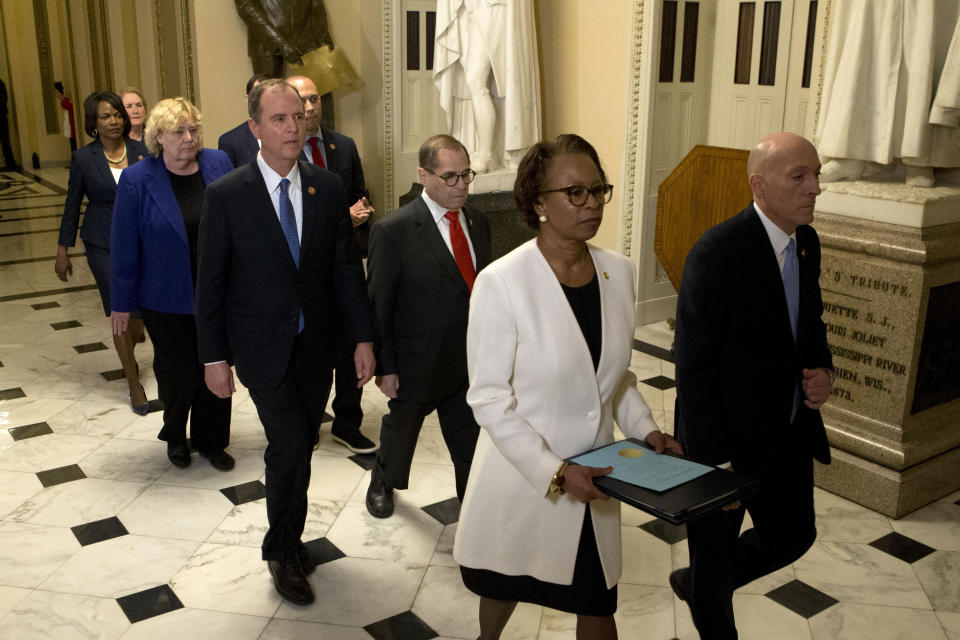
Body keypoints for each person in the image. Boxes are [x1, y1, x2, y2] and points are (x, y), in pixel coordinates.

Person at [453, 134, 681, 640]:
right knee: (505, 579)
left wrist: (646, 432)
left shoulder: (618, 273)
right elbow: (488, 398)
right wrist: (554, 472)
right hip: (525, 474)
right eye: (575, 193)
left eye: (598, 190)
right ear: (538, 204)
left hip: (597, 472)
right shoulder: (502, 282)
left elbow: (613, 377)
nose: (592, 203)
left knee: (596, 599)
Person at [195, 79, 375, 606]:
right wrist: (213, 357)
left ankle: (290, 539)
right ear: (254, 128)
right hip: (260, 348)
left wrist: (362, 337)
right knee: (291, 442)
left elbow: (345, 269)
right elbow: (210, 284)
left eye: (297, 116)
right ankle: (280, 551)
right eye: (279, 119)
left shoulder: (327, 186)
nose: (293, 126)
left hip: (317, 346)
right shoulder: (228, 196)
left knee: (300, 445)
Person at [671, 132, 834, 639]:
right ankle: (708, 588)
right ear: (758, 186)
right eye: (799, 177)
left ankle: (700, 582)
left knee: (793, 535)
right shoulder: (718, 252)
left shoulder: (805, 242)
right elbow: (692, 369)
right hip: (726, 445)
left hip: (785, 432)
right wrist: (715, 462)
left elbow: (812, 325)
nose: (815, 188)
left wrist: (823, 370)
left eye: (817, 175)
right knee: (715, 564)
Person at [364, 134, 490, 519]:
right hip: (417, 358)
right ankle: (382, 479)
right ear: (423, 175)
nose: (461, 186)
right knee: (402, 431)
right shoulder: (394, 230)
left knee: (469, 439)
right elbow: (379, 305)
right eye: (450, 177)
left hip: (467, 358)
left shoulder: (478, 222)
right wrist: (385, 367)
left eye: (467, 175)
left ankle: (473, 504)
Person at [110, 98, 235, 471]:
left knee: (216, 365)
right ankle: (177, 435)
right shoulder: (138, 179)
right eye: (178, 131)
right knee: (180, 373)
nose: (188, 138)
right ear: (158, 137)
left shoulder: (218, 163)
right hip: (164, 298)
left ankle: (212, 441)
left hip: (216, 294)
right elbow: (123, 244)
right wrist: (122, 304)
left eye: (193, 129)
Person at [287, 74, 376, 455]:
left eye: (315, 99)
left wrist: (360, 213)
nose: (310, 107)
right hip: (306, 276)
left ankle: (347, 422)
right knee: (313, 357)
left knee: (351, 346)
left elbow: (362, 198)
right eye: (302, 101)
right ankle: (306, 423)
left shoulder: (343, 145)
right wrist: (344, 215)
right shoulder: (286, 151)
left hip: (344, 267)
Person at [55, 91, 149, 414]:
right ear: (93, 123)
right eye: (106, 116)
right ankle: (133, 383)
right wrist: (62, 249)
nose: (114, 121)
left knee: (140, 312)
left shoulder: (142, 151)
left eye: (118, 115)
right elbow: (72, 204)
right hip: (102, 241)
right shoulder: (84, 158)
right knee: (119, 309)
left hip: (142, 241)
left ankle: (134, 343)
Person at [433, 0, 541, 172]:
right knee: (473, 83)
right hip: (472, 9)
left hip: (494, 8)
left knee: (475, 80)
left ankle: (486, 154)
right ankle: (485, 151)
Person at [217, 72, 269, 168]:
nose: (263, 101)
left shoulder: (290, 134)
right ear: (247, 99)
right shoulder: (230, 142)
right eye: (258, 95)